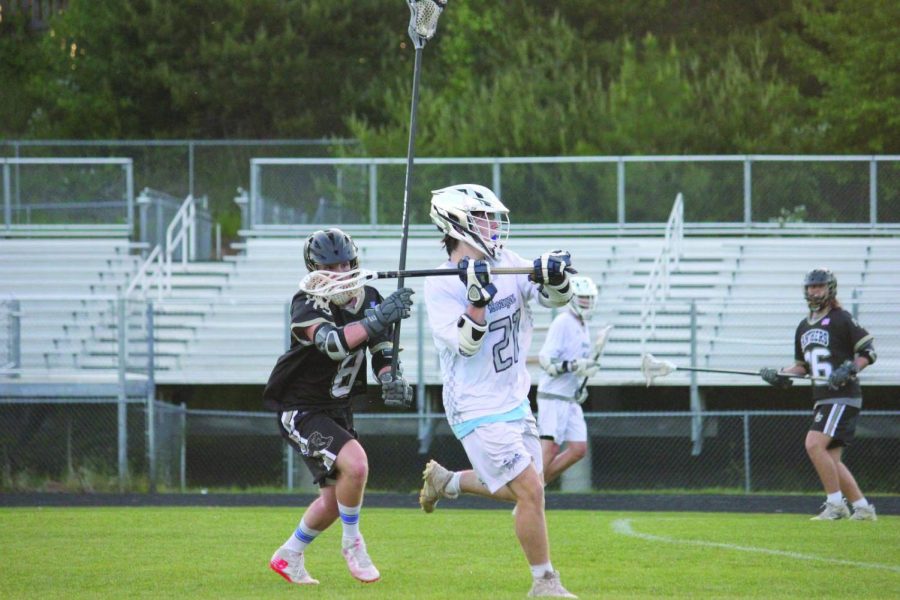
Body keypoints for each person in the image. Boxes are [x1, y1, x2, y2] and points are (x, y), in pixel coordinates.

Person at [418, 184, 578, 598]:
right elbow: (467, 341)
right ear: (457, 224)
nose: (493, 226)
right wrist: (476, 297)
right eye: (484, 218)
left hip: (513, 399)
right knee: (529, 490)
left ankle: (448, 482)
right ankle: (545, 583)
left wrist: (554, 278)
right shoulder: (439, 284)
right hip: (473, 405)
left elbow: (553, 299)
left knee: (528, 491)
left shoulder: (507, 261)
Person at [263, 227, 415, 585]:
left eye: (346, 264)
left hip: (337, 409)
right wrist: (378, 319)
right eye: (330, 267)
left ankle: (289, 555)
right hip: (301, 409)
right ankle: (352, 544)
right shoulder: (306, 302)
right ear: (315, 269)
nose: (341, 272)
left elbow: (381, 352)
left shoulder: (371, 297)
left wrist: (392, 376)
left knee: (334, 500)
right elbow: (333, 344)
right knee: (357, 465)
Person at [760, 268, 877, 521]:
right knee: (832, 460)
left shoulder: (842, 318)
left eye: (820, 286)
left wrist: (850, 368)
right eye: (811, 287)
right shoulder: (803, 326)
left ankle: (835, 505)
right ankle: (863, 508)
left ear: (830, 288)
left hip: (842, 395)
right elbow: (802, 367)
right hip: (822, 397)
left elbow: (868, 352)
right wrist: (780, 374)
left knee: (813, 444)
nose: (815, 291)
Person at [536, 276, 603, 488]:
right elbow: (546, 361)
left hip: (569, 398)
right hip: (553, 397)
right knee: (549, 449)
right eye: (582, 298)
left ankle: (535, 487)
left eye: (589, 298)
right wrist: (575, 366)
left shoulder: (583, 326)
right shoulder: (563, 322)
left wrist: (580, 383)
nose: (586, 302)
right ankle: (529, 494)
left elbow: (578, 363)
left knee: (578, 449)